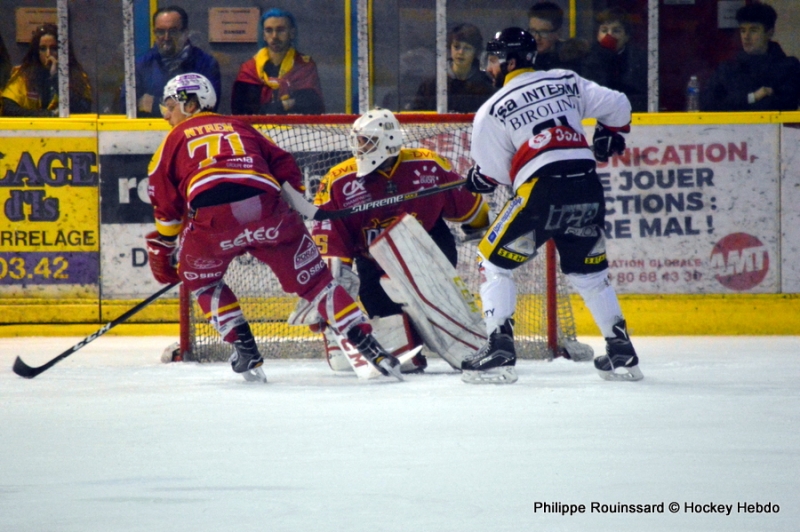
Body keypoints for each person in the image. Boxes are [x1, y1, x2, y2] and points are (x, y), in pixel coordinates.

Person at [146, 73, 401, 382]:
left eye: (169, 106)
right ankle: (369, 346)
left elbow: (165, 203)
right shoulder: (242, 127)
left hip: (215, 221)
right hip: (270, 212)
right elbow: (284, 166)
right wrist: (299, 207)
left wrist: (166, 243)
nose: (165, 115)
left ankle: (245, 348)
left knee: (201, 281)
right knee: (317, 283)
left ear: (190, 105)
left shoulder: (173, 139)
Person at [465, 28, 643, 384]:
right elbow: (620, 105)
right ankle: (621, 350)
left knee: (493, 262)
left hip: (541, 192)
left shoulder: (492, 109)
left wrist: (479, 179)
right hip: (587, 188)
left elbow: (495, 174)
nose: (489, 66)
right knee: (590, 274)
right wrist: (611, 132)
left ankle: (499, 349)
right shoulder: (566, 80)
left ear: (510, 61)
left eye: (494, 58)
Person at [310, 108, 490, 373]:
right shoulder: (338, 180)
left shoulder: (428, 164)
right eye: (358, 140)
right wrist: (328, 294)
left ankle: (458, 327)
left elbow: (473, 211)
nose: (360, 147)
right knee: (402, 353)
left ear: (389, 140)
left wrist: (481, 229)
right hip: (372, 262)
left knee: (441, 317)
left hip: (429, 253)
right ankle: (411, 341)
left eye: (367, 140)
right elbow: (329, 244)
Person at [701, 3, 800, 112]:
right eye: (743, 30)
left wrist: (735, 103)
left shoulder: (789, 67)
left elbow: (786, 106)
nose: (746, 37)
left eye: (753, 30)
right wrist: (753, 97)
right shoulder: (728, 69)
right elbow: (707, 104)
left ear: (769, 33)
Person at [125, 6, 221, 118]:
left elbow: (207, 106)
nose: (166, 37)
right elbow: (127, 106)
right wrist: (185, 102)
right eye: (160, 32)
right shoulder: (141, 65)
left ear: (185, 32)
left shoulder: (206, 63)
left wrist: (156, 104)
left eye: (173, 31)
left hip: (191, 132)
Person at [231, 8, 324, 115]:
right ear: (263, 36)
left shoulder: (304, 66)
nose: (274, 36)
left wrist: (282, 105)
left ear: (292, 33)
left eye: (280, 30)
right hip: (256, 129)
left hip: (298, 129)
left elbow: (312, 104)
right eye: (269, 30)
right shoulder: (249, 69)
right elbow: (240, 110)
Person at [1, 24, 92, 116]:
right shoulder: (24, 75)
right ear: (37, 52)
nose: (48, 54)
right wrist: (46, 115)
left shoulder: (77, 77)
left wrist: (56, 78)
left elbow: (83, 108)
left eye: (54, 48)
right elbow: (8, 109)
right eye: (43, 49)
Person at [410, 23, 495, 113]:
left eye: (467, 48)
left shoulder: (486, 87)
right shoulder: (430, 86)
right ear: (450, 48)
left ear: (476, 52)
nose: (461, 52)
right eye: (456, 47)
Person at [581, 7, 648, 113]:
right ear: (598, 35)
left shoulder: (638, 60)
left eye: (616, 31)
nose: (609, 35)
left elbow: (642, 96)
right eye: (604, 30)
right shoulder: (588, 59)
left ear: (627, 36)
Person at [527, 2, 588, 73]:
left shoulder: (572, 62)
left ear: (558, 33)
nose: (537, 38)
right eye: (533, 31)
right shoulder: (521, 60)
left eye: (544, 32)